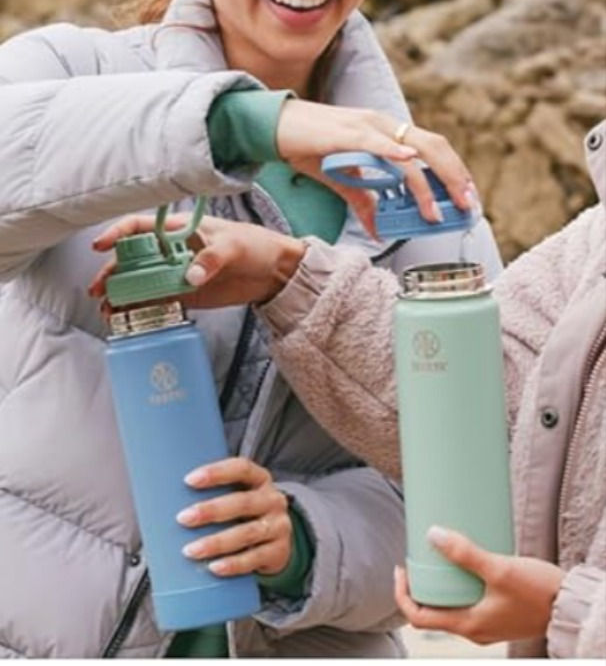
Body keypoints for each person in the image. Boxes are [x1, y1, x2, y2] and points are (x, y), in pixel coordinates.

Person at [0, 0, 503, 658]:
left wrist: (304, 540)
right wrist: (258, 123)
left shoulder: (426, 198)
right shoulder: (74, 75)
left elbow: (469, 487)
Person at [95, 120, 606, 659]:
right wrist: (289, 275)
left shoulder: (438, 215)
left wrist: (568, 613)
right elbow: (483, 405)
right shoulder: (594, 241)